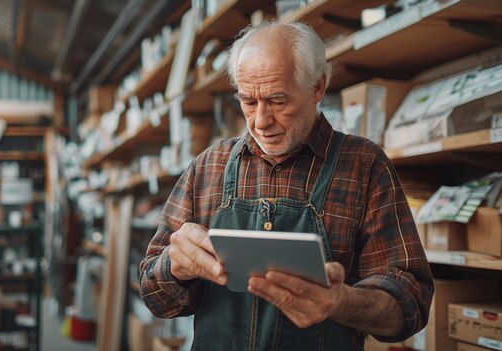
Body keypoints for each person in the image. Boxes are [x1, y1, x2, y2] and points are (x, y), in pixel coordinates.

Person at [139, 21, 434, 350]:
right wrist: (174, 266)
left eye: (278, 101)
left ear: (317, 87)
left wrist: (343, 302)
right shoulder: (210, 166)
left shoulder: (364, 165)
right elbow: (154, 296)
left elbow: (411, 303)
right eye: (248, 102)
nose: (261, 122)